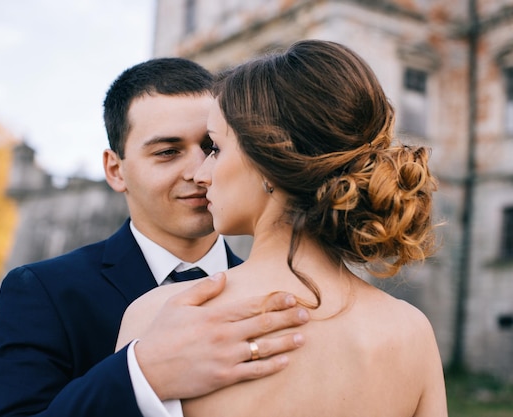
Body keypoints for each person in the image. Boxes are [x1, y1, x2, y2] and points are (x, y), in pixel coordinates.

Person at [118, 40, 448, 416]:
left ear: (269, 161)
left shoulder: (159, 319)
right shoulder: (411, 332)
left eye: (216, 148)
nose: (201, 174)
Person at [0, 57, 310, 417]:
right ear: (115, 170)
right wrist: (141, 374)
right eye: (168, 152)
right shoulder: (45, 292)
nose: (200, 171)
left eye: (212, 147)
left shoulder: (280, 296)